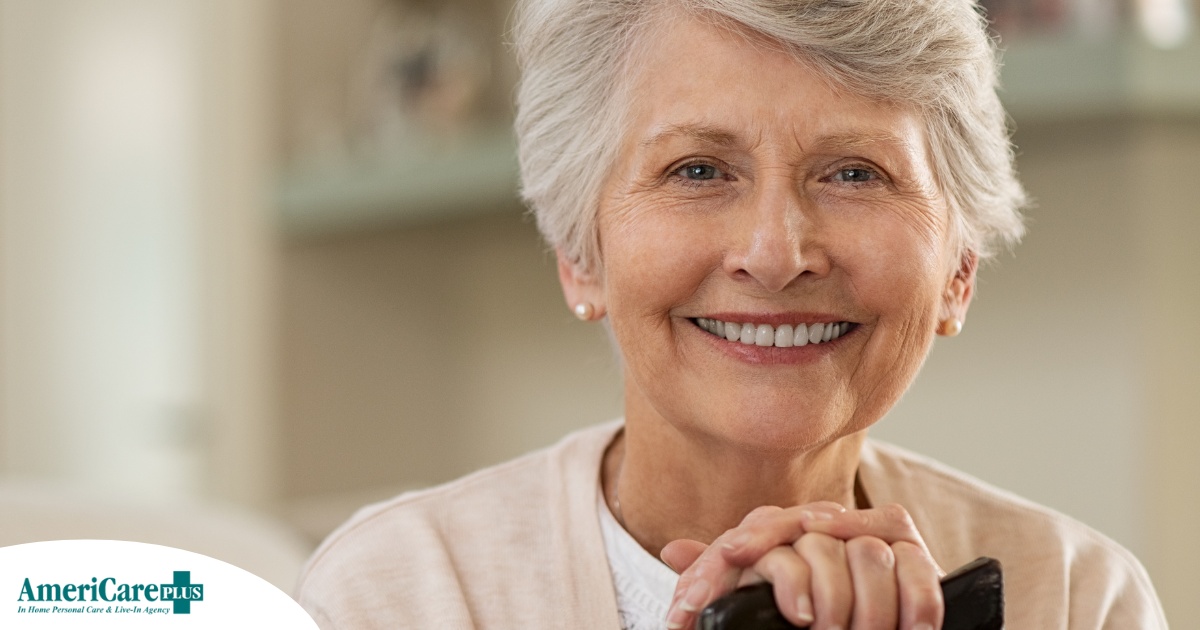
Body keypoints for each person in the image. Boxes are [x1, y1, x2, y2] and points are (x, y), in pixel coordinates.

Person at [295, 0, 1167, 628]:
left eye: (855, 172)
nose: (778, 252)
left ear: (959, 270)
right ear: (578, 253)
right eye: (698, 171)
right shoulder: (395, 595)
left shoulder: (1077, 599)